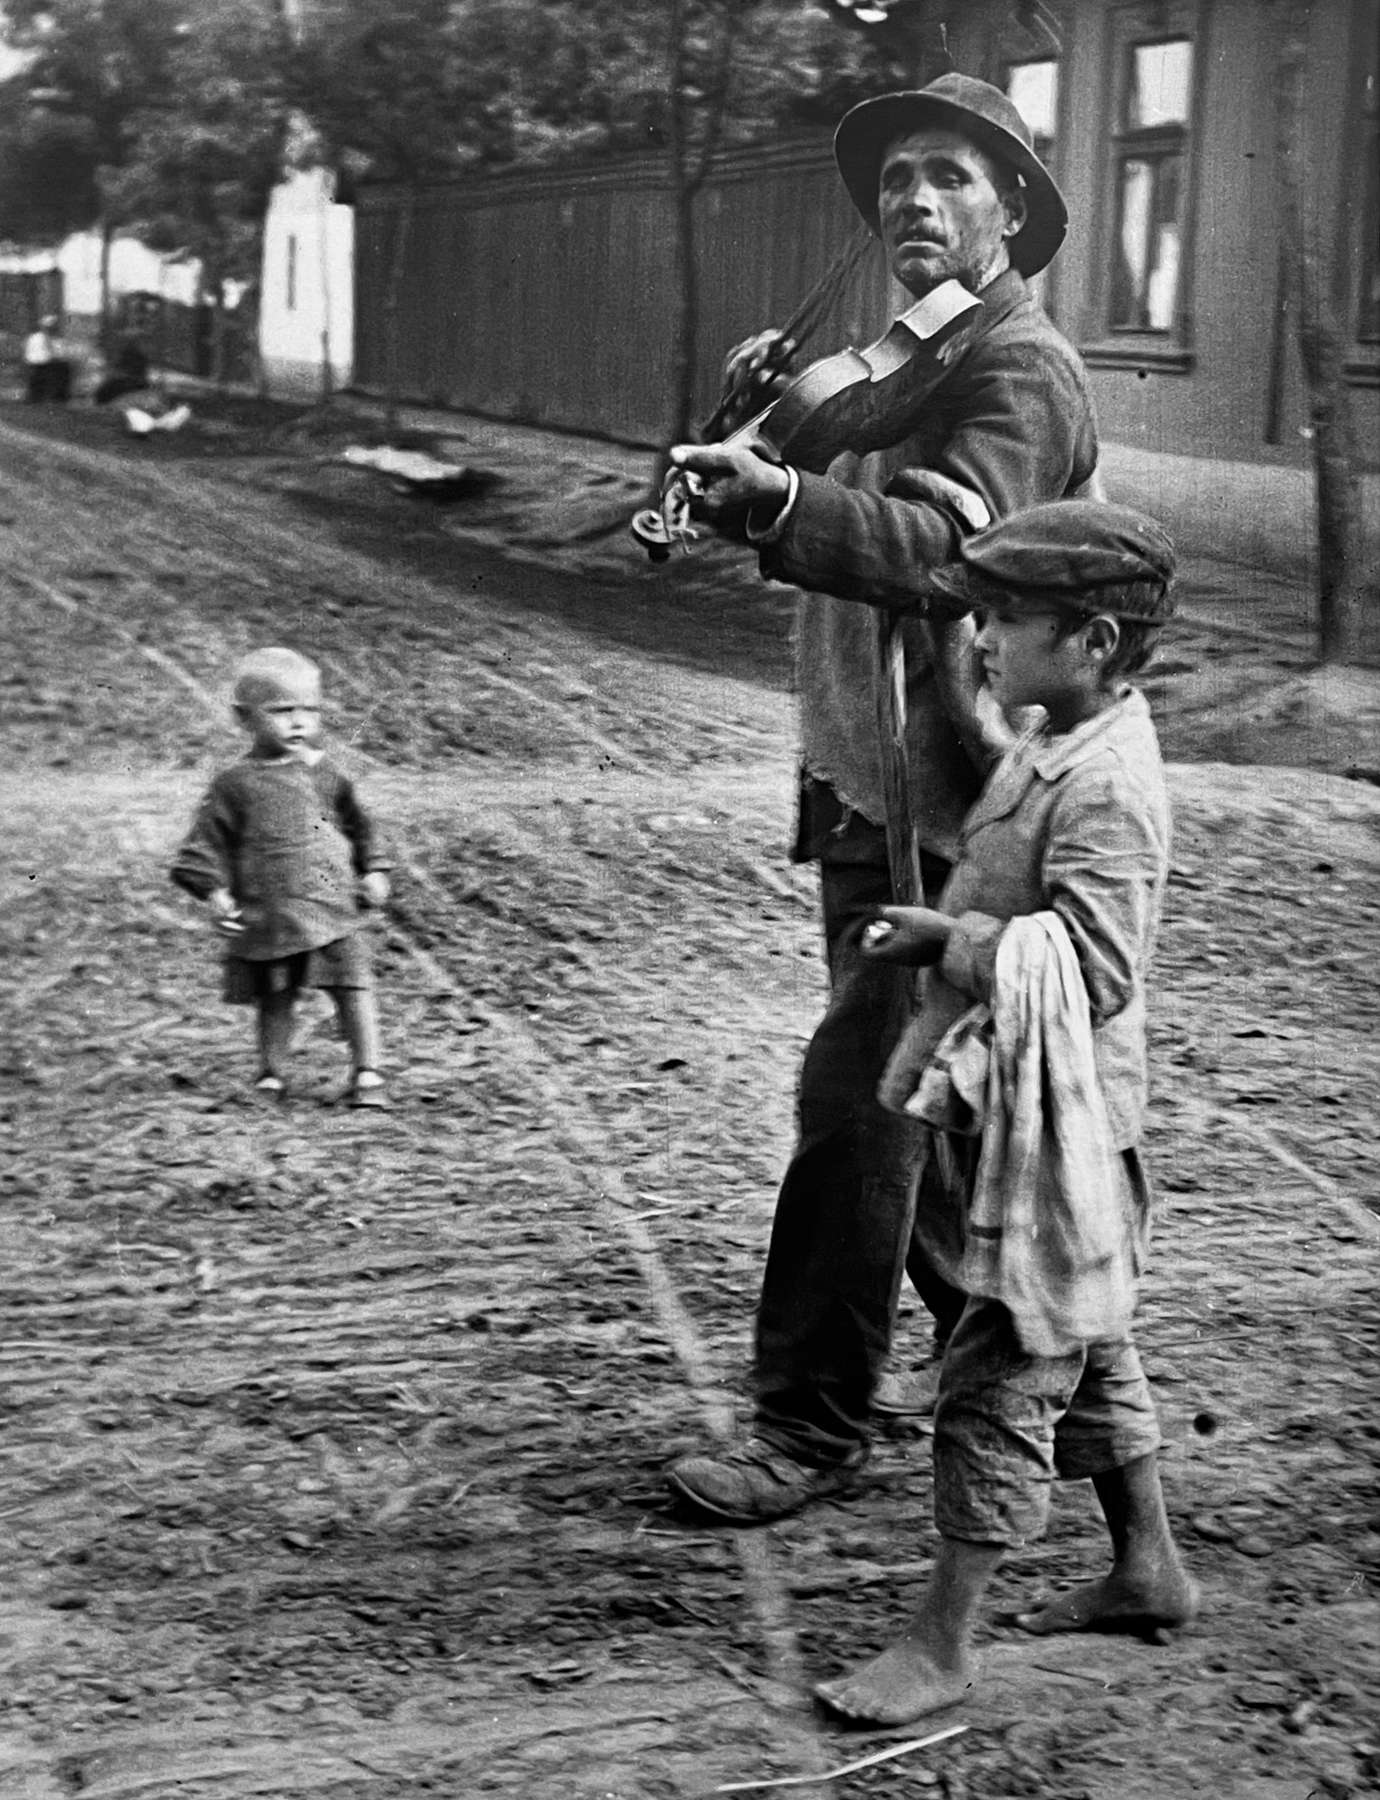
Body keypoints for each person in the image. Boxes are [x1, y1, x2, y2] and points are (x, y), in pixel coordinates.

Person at [665, 74, 1099, 1523]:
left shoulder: (1019, 372)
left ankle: (808, 1425)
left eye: (952, 179)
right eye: (898, 178)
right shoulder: (886, 363)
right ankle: (1094, 1437)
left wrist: (781, 501)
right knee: (938, 1134)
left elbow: (936, 550)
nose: (913, 200)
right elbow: (805, 477)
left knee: (861, 1099)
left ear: (1014, 213)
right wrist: (757, 426)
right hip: (869, 782)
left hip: (963, 809)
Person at [811, 497, 1198, 1727]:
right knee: (1088, 1337)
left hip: (1070, 1121)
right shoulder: (1055, 738)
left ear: (1090, 643)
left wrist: (952, 936)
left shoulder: (1110, 791)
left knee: (1001, 1371)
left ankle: (942, 1642)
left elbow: (1093, 971)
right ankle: (1148, 1567)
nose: (980, 636)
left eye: (1008, 619)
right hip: (1018, 1098)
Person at [170, 647, 393, 1108]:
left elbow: (360, 825)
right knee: (277, 995)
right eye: (282, 711)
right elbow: (203, 844)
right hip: (272, 910)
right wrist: (214, 892)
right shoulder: (234, 784)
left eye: (308, 711)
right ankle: (272, 1073)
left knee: (352, 987)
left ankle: (368, 1071)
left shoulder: (327, 774)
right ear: (244, 718)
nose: (298, 723)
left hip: (333, 904)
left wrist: (373, 869)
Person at [23, 314, 72, 403]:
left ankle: (56, 397)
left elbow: (62, 354)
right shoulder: (36, 338)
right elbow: (36, 354)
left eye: (52, 327)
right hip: (40, 365)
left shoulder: (57, 340)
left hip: (48, 364)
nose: (51, 329)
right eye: (49, 327)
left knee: (62, 369)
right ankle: (40, 397)